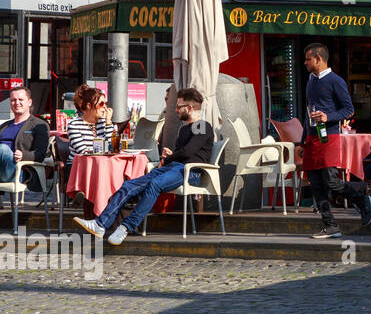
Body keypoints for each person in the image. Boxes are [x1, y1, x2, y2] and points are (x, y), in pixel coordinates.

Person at [71, 87, 213, 245]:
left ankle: (125, 227)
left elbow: (189, 152)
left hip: (191, 172)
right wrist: (169, 156)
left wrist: (171, 156)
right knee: (129, 184)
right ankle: (100, 224)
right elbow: (184, 152)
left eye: (179, 106)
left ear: (190, 108)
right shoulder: (185, 128)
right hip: (174, 168)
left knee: (154, 185)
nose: (175, 110)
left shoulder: (201, 125)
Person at [302, 42, 371, 238]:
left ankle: (361, 199)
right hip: (312, 137)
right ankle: (330, 225)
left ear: (318, 59)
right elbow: (308, 112)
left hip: (328, 136)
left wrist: (328, 117)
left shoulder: (336, 81)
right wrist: (302, 140)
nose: (305, 62)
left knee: (331, 181)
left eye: (308, 59)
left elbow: (348, 110)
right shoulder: (310, 80)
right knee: (315, 184)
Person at [0, 86, 50, 186]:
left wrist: (23, 155)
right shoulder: (4, 126)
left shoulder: (39, 125)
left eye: (21, 99)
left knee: (3, 149)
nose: (17, 103)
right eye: (13, 100)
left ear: (29, 102)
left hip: (19, 171)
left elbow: (40, 154)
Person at [66, 84, 113, 156]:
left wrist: (109, 123)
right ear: (89, 105)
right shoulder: (74, 125)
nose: (105, 107)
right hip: (80, 164)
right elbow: (83, 152)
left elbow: (110, 148)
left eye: (106, 104)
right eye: (101, 104)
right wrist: (103, 151)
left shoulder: (104, 122)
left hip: (100, 162)